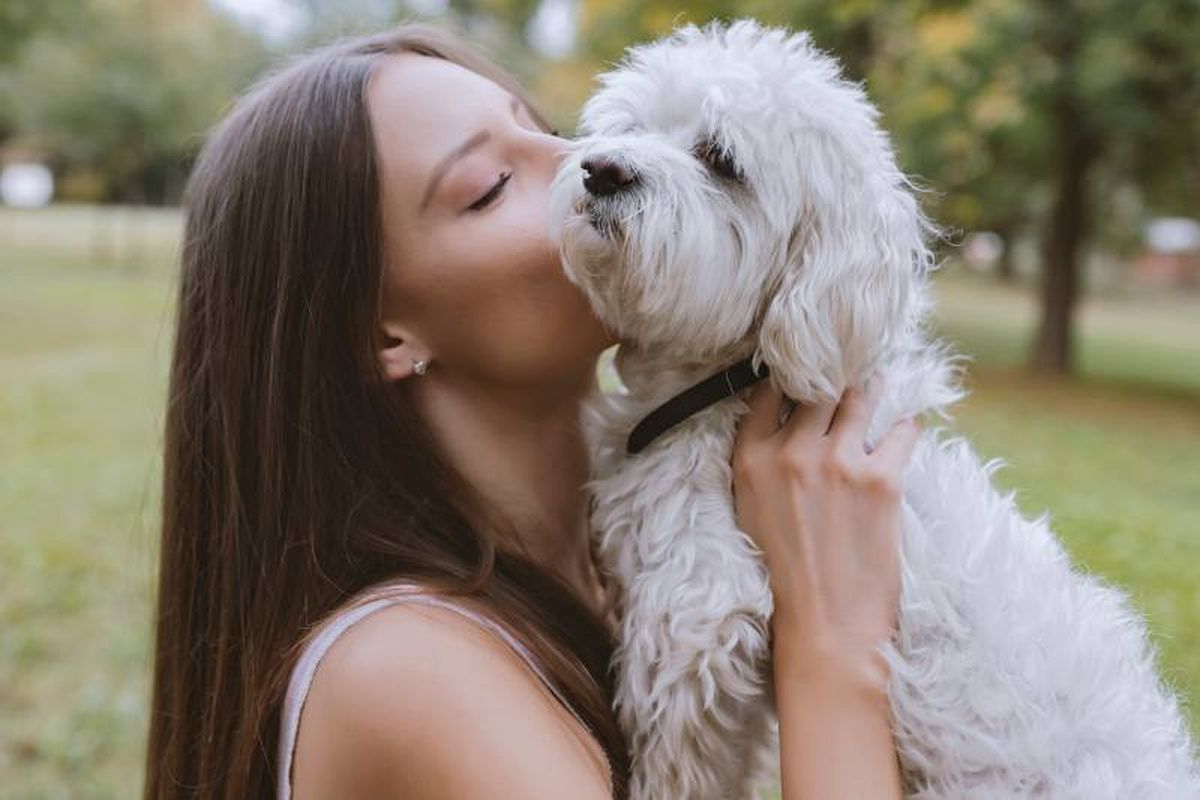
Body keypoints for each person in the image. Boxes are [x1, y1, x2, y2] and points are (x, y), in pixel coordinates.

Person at [141, 21, 922, 800]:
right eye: (489, 186)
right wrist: (834, 646)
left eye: (551, 131)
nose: (587, 162)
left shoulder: (633, 560)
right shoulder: (413, 672)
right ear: (381, 332)